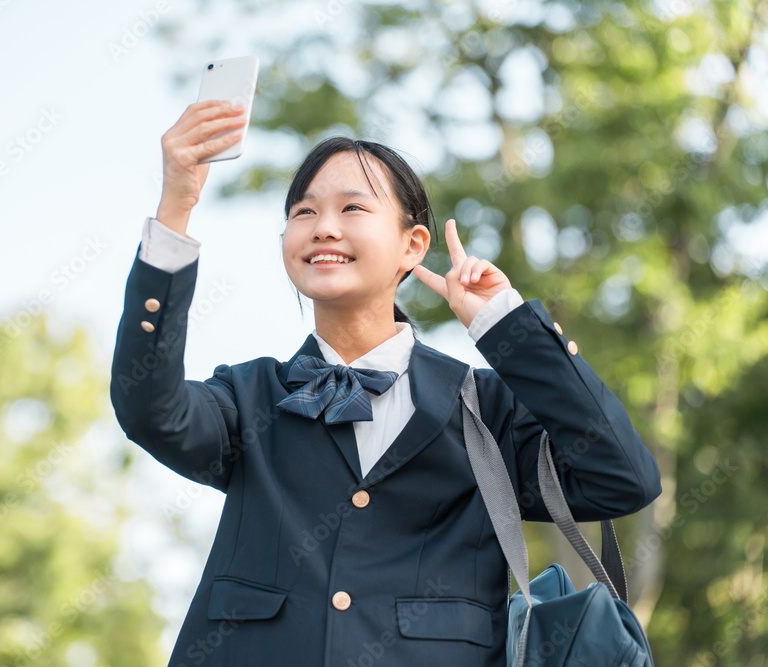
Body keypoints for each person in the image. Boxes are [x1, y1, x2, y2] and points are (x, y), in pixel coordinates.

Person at [110, 99, 662, 666]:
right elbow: (150, 409)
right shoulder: (248, 398)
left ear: (412, 246)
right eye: (303, 212)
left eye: (352, 207)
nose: (323, 227)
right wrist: (176, 206)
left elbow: (623, 479)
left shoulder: (484, 407)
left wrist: (508, 331)